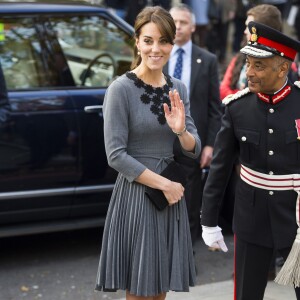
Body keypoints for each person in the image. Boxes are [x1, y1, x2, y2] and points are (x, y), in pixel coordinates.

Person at [95, 6, 201, 300]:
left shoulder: (177, 87)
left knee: (160, 289)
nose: (157, 48)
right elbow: (115, 155)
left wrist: (180, 131)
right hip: (139, 195)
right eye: (149, 40)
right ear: (137, 42)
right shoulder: (120, 89)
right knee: (141, 290)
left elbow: (193, 150)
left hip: (169, 198)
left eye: (164, 41)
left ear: (172, 43)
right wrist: (164, 185)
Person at [201, 20, 300, 300]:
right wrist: (208, 221)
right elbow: (219, 169)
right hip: (251, 217)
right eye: (247, 63)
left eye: (259, 66)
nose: (249, 72)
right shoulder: (237, 108)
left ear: (282, 68)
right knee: (246, 294)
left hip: (296, 218)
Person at [164, 3, 222, 246]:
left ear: (193, 26)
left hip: (191, 142)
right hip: (162, 142)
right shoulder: (158, 54)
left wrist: (209, 145)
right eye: (173, 22)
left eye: (183, 22)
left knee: (190, 202)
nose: (177, 27)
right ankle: (163, 252)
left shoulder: (207, 60)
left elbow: (214, 107)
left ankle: (186, 254)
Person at [220, 4, 283, 100]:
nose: (245, 31)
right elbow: (223, 89)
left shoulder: (282, 64)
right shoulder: (241, 56)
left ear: (262, 30)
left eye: (248, 27)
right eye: (248, 63)